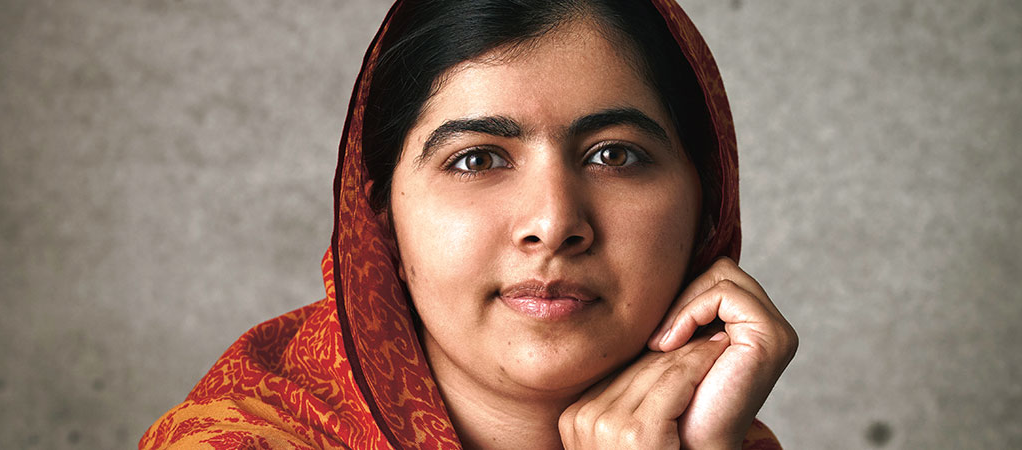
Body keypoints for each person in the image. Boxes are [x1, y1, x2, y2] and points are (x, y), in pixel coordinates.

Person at [141, 0, 798, 448]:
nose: (553, 221)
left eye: (614, 155)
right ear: (380, 221)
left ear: (707, 204)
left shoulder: (719, 438)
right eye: (477, 159)